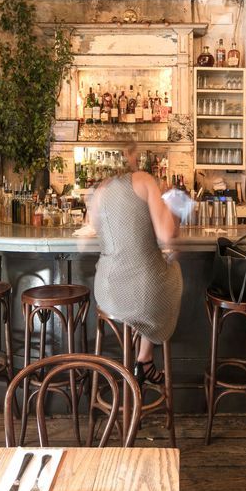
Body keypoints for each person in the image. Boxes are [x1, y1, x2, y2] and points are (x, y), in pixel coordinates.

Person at [89, 143, 182, 385]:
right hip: (140, 292)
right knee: (170, 274)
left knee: (146, 276)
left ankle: (143, 361)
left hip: (105, 292)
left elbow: (91, 232)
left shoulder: (99, 190)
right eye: (133, 152)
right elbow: (167, 235)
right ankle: (143, 359)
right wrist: (174, 204)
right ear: (127, 157)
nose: (137, 156)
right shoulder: (143, 179)